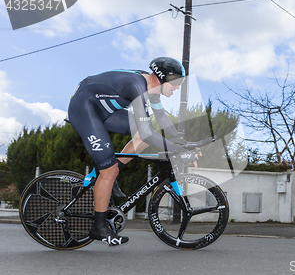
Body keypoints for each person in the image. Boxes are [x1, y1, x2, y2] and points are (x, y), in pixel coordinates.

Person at [67, 57, 198, 246]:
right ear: (163, 77)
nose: (177, 88)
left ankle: (109, 176)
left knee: (140, 139)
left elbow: (160, 116)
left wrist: (180, 141)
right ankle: (98, 227)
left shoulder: (151, 88)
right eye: (176, 83)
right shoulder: (137, 87)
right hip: (84, 108)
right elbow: (147, 130)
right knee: (111, 168)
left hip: (104, 110)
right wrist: (176, 150)